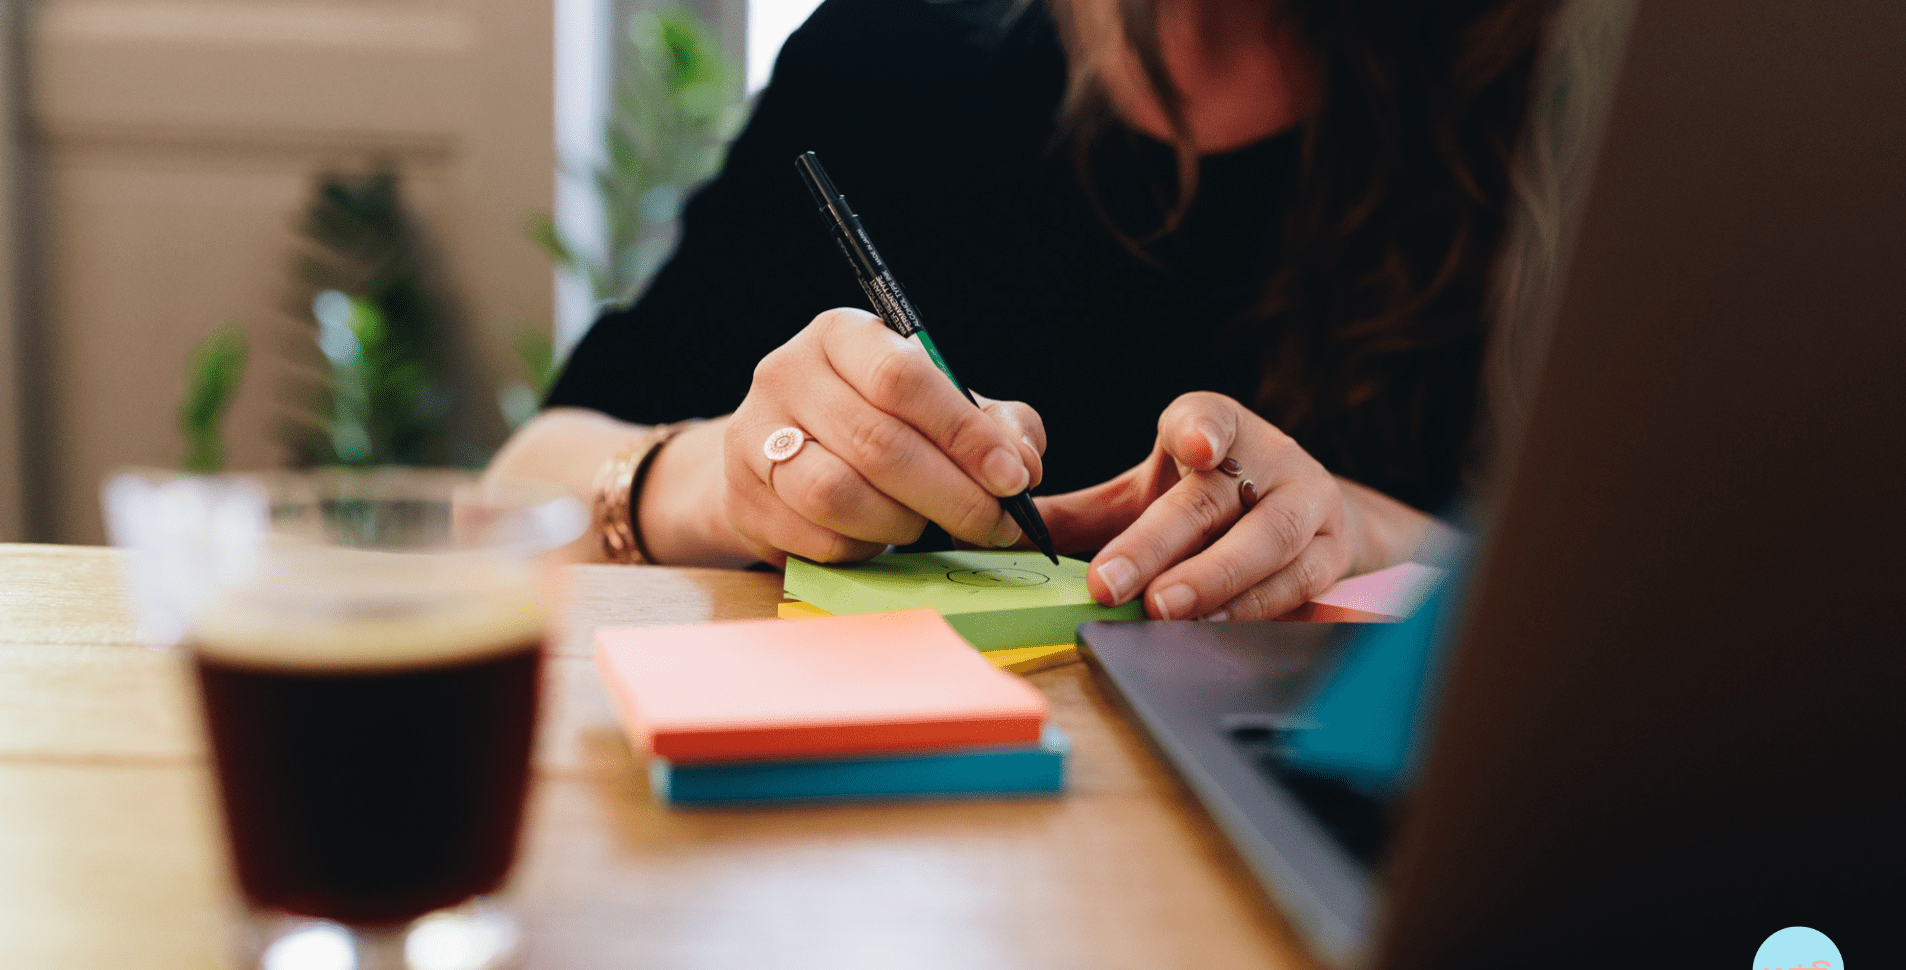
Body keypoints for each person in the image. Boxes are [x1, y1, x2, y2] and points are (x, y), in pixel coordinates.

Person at [489, 0, 1544, 620]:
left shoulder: (1555, 94)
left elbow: (1677, 603)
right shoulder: (892, 55)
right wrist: (727, 483)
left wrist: (1370, 538)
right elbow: (512, 492)